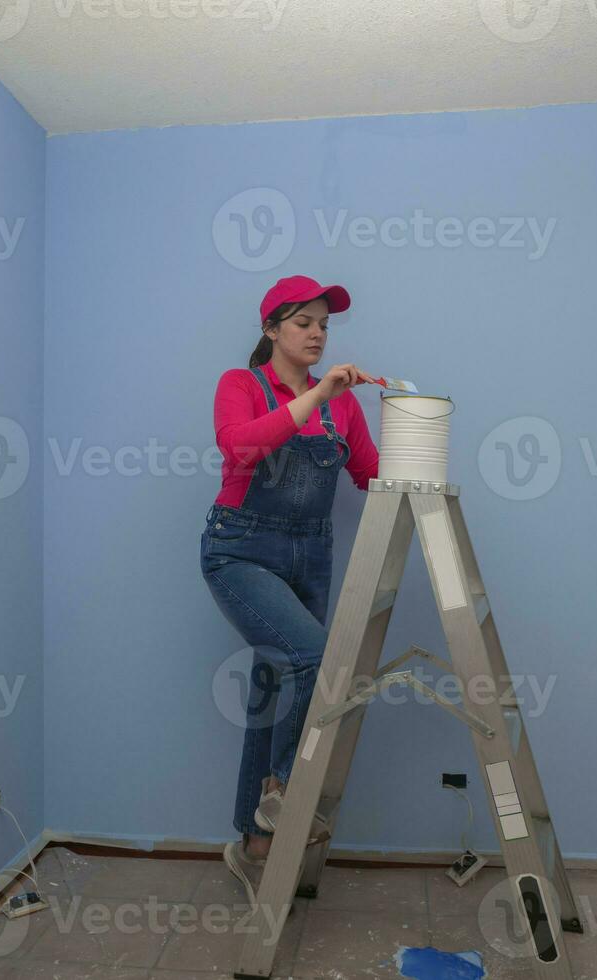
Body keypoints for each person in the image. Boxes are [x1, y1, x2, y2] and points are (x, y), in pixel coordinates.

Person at [200, 274, 381, 905]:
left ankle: (252, 844)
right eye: (304, 322)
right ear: (272, 329)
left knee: (274, 686)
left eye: (325, 325)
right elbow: (240, 447)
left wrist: (420, 442)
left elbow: (371, 475)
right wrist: (312, 397)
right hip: (241, 549)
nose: (317, 334)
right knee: (312, 655)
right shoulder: (242, 385)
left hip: (311, 555)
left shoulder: (344, 405)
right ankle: (278, 791)